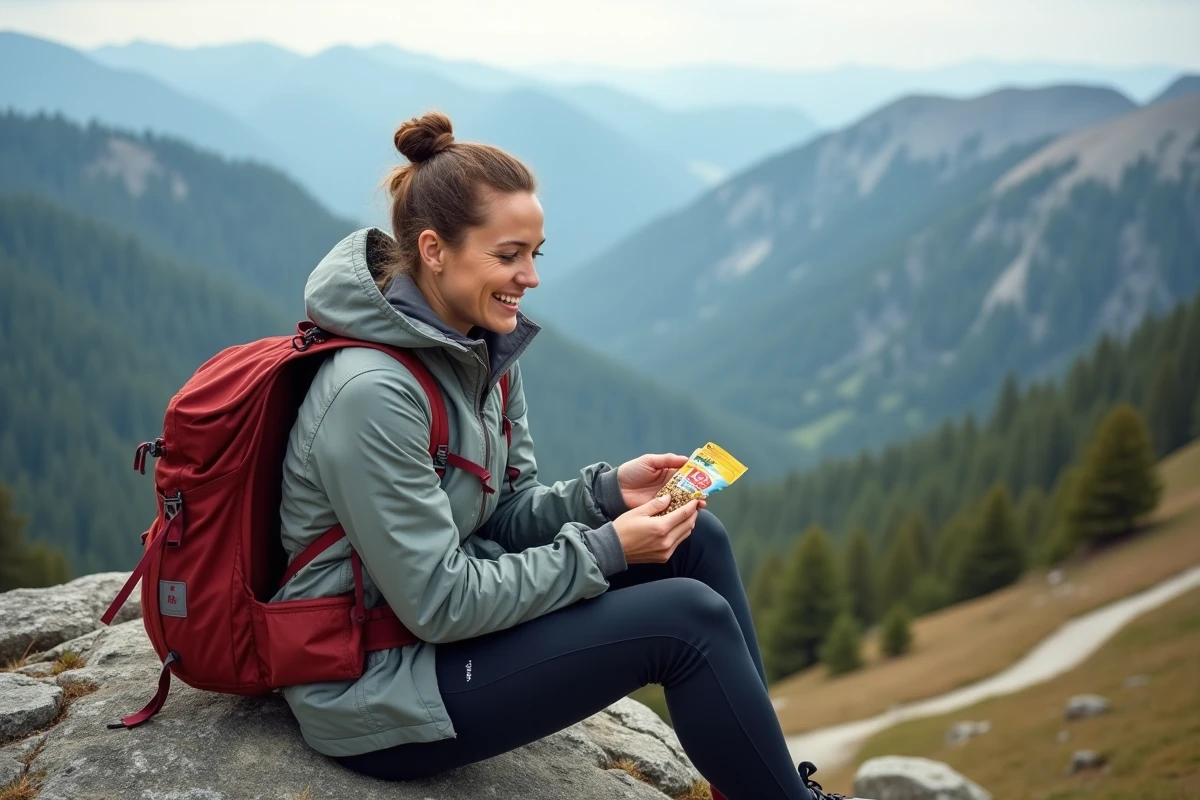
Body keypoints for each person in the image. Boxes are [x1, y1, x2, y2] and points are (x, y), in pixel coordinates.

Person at [274, 111, 843, 800]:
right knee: (686, 623)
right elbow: (438, 602)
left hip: (435, 642)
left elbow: (504, 511)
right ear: (433, 250)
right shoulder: (372, 393)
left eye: (537, 253)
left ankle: (763, 784)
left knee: (696, 542)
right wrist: (606, 549)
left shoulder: (481, 348)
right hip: (377, 686)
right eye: (510, 255)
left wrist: (605, 497)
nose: (531, 277)